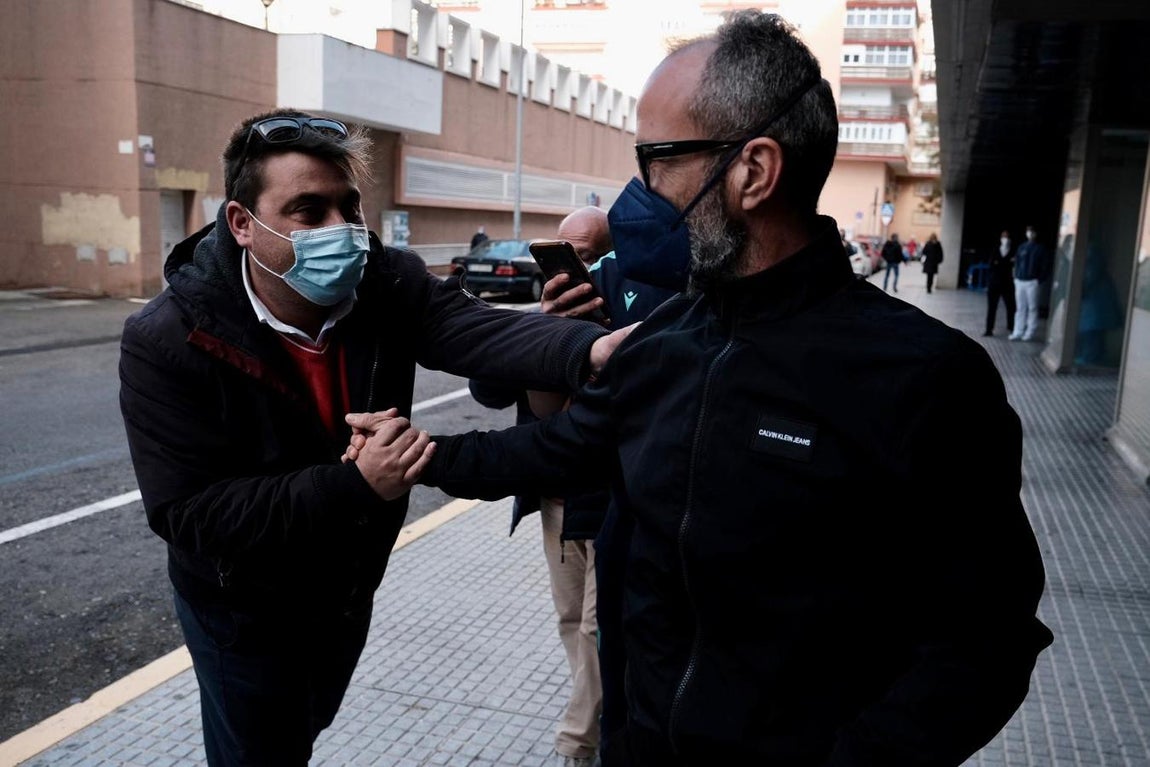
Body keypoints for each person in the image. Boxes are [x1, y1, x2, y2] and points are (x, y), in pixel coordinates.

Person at [352, 11, 1053, 765]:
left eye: (655, 159)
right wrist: (422, 456)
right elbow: (560, 448)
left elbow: (987, 640)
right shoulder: (667, 340)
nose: (638, 192)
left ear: (753, 170)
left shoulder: (925, 378)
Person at [118, 108, 624, 767]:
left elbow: (479, 331)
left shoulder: (384, 280)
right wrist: (353, 484)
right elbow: (189, 511)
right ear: (243, 223)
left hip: (347, 586)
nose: (341, 230)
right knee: (259, 747)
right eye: (309, 209)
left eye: (349, 207)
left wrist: (592, 349)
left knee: (305, 722)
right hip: (243, 609)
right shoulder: (169, 336)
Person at [469, 206, 677, 767]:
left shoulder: (650, 305)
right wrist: (546, 329)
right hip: (556, 500)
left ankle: (578, 743)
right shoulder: (547, 316)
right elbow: (488, 389)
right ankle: (606, 716)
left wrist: (599, 337)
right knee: (572, 625)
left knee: (597, 630)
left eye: (589, 256)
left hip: (615, 505)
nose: (577, 271)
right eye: (564, 257)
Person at [1009, 225, 1052, 341]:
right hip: (1020, 281)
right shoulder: (1021, 247)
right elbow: (1016, 263)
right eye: (1029, 231)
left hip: (1032, 281)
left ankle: (1030, 331)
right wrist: (1015, 277)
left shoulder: (1040, 249)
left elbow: (1045, 266)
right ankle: (1018, 331)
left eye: (1032, 231)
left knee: (1032, 307)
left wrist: (1039, 280)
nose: (1030, 233)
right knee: (1020, 307)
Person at [984, 229, 1016, 337]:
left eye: (1007, 236)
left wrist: (999, 264)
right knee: (991, 308)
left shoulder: (1013, 251)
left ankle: (1011, 327)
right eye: (1003, 236)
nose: (1005, 239)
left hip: (1007, 284)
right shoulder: (995, 250)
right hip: (994, 284)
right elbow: (991, 265)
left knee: (1010, 307)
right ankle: (989, 329)